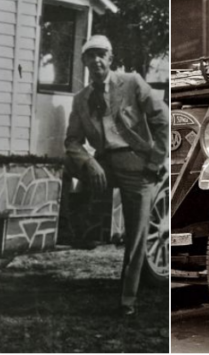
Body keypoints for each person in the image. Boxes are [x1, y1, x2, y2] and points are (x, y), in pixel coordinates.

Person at [65, 34, 169, 316]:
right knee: (68, 164)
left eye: (102, 54)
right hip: (104, 164)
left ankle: (127, 300)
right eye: (91, 55)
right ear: (84, 61)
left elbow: (164, 120)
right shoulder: (81, 100)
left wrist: (155, 161)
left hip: (137, 164)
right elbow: (72, 141)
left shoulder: (132, 83)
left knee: (136, 233)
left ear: (110, 59)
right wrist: (88, 161)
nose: (96, 60)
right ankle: (84, 230)